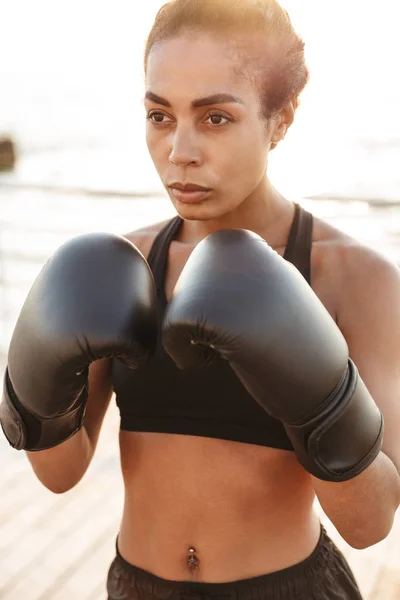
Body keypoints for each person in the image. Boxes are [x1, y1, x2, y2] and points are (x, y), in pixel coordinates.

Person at [1, 1, 400, 598]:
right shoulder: (124, 268)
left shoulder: (352, 277)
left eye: (215, 118)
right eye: (160, 116)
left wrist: (321, 399)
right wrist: (34, 377)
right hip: (136, 586)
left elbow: (368, 525)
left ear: (282, 116)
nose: (179, 151)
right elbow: (60, 475)